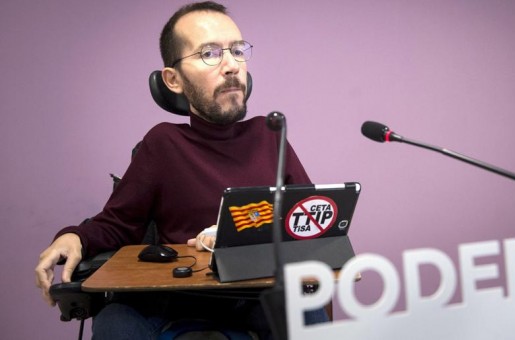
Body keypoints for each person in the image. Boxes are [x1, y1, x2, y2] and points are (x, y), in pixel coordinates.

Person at [34, 2, 326, 338]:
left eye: (237, 50)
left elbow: (313, 223)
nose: (231, 65)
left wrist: (239, 234)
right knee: (116, 320)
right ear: (173, 80)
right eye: (210, 53)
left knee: (305, 307)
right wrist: (75, 237)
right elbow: (117, 225)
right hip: (174, 301)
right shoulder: (163, 143)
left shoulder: (269, 135)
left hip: (253, 300)